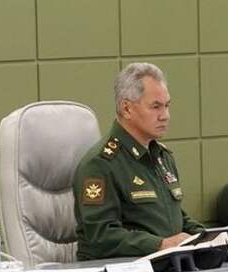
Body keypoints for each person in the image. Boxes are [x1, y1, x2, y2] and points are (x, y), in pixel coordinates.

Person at [74, 62, 204, 260]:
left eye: (167, 106)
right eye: (156, 107)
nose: (165, 116)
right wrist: (160, 244)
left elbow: (174, 219)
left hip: (165, 268)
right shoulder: (100, 164)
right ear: (127, 109)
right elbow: (100, 236)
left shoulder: (162, 157)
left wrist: (209, 238)